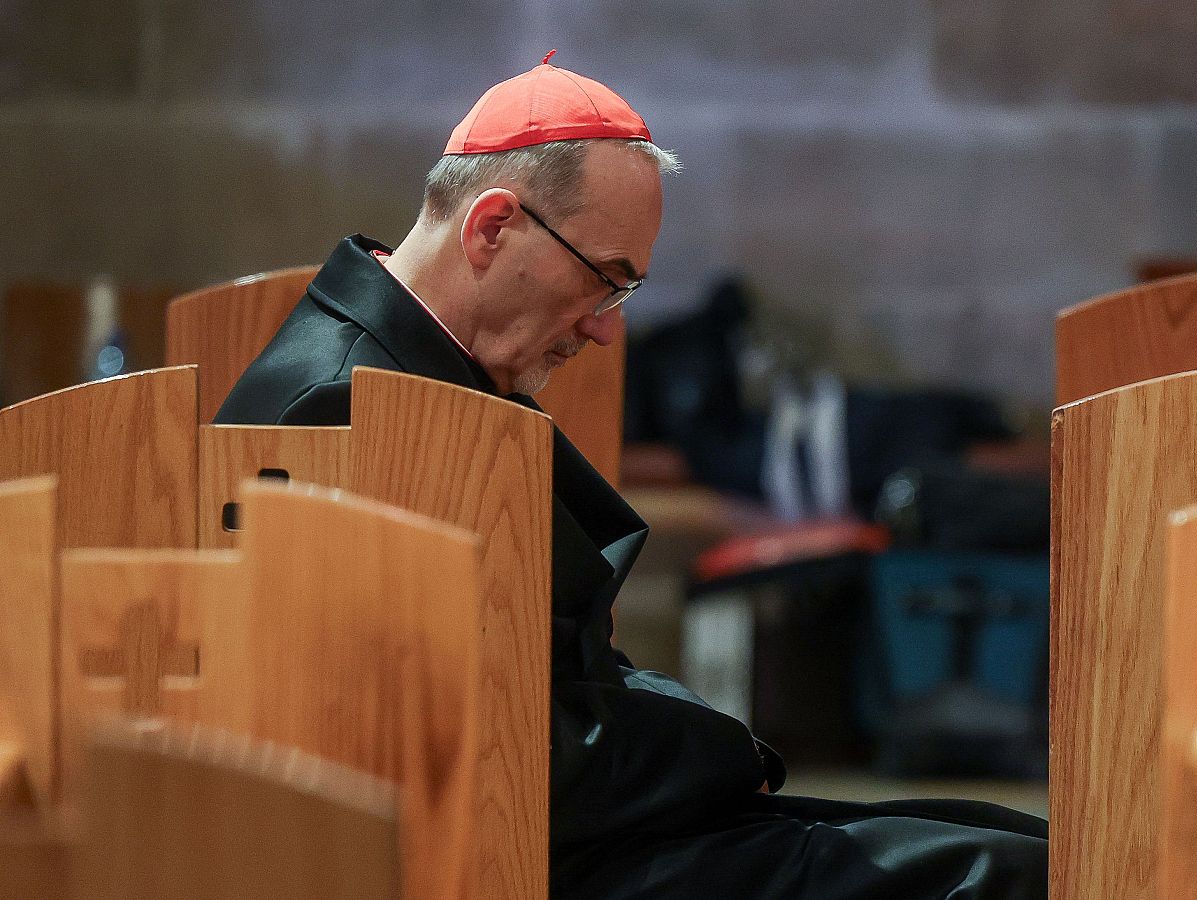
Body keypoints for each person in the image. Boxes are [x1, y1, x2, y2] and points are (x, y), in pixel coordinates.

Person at [216, 53, 1047, 899]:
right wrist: (718, 749)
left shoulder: (420, 367)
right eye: (605, 281)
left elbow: (551, 669)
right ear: (492, 227)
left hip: (574, 826)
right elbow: (440, 742)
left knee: (1026, 842)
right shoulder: (346, 407)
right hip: (513, 859)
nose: (607, 332)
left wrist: (702, 743)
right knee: (1007, 876)